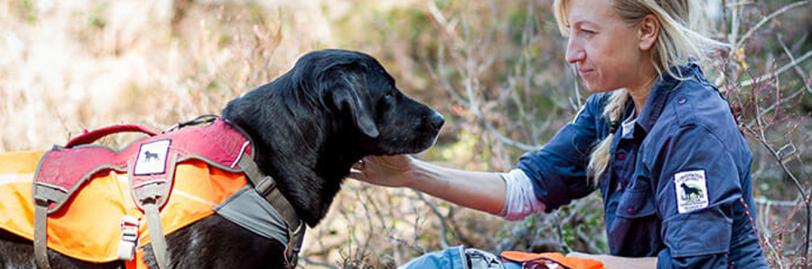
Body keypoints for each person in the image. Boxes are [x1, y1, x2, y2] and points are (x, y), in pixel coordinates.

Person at [351, 0, 770, 268]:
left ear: (647, 30)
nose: (572, 53)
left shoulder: (691, 128)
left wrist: (585, 265)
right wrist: (413, 174)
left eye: (587, 33)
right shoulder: (613, 107)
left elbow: (694, 268)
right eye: (570, 33)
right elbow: (524, 191)